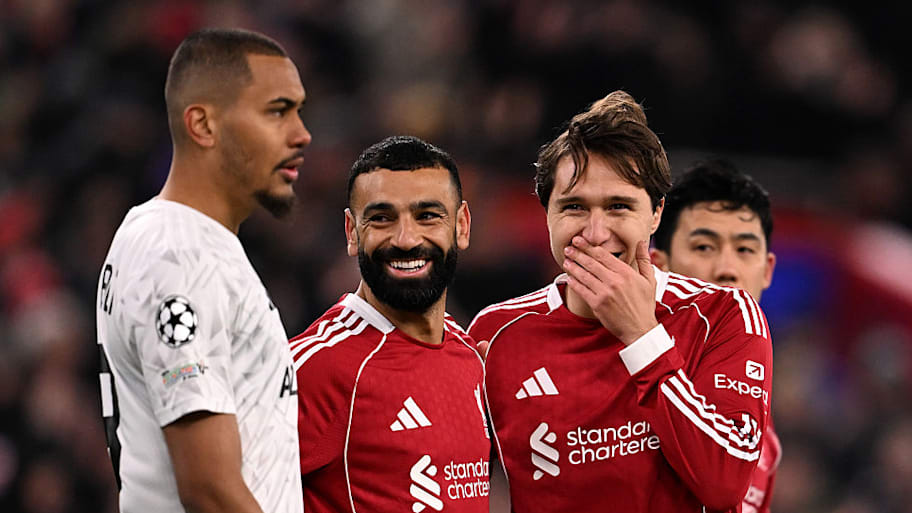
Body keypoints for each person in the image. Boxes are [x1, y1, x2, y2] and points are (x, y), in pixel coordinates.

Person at [468, 91, 772, 512]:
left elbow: (725, 484)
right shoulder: (496, 333)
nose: (595, 233)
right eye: (573, 206)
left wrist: (642, 336)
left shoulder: (721, 316)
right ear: (547, 214)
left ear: (656, 214)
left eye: (618, 207)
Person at [95, 28, 311, 513]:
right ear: (203, 125)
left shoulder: (158, 235)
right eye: (277, 111)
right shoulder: (181, 256)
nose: (302, 133)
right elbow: (210, 491)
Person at [290, 135, 490, 512]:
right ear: (352, 232)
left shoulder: (470, 357)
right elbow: (214, 493)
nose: (406, 238)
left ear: (462, 226)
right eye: (382, 218)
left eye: (427, 215)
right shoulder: (316, 368)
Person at [650, 158, 781, 513]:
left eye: (744, 250)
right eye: (704, 247)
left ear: (767, 270)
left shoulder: (764, 442)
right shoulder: (624, 386)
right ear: (658, 265)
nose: (727, 270)